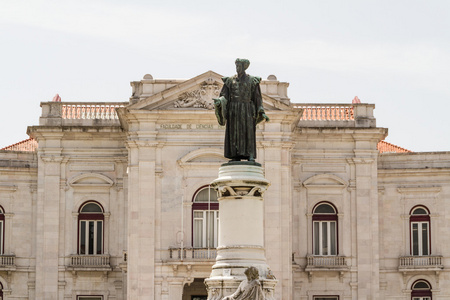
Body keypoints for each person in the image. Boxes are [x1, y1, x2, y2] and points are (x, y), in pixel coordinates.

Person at [214, 59, 269, 162]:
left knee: (248, 132)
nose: (237, 68)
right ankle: (235, 155)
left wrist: (261, 110)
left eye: (239, 66)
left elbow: (257, 97)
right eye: (236, 66)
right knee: (234, 133)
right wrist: (220, 101)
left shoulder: (252, 80)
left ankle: (250, 154)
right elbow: (224, 95)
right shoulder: (229, 81)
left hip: (247, 109)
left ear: (244, 67)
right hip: (233, 110)